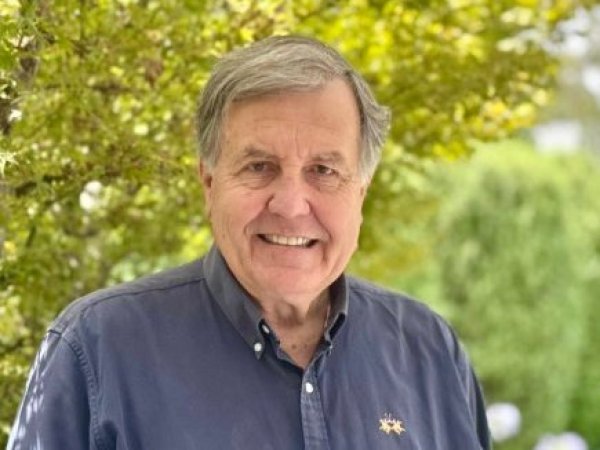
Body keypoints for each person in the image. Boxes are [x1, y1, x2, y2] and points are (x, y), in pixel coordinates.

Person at [8, 36, 491, 450]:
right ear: (209, 183)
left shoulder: (429, 351)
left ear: (360, 192)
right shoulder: (97, 350)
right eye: (259, 167)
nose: (291, 205)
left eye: (323, 170)